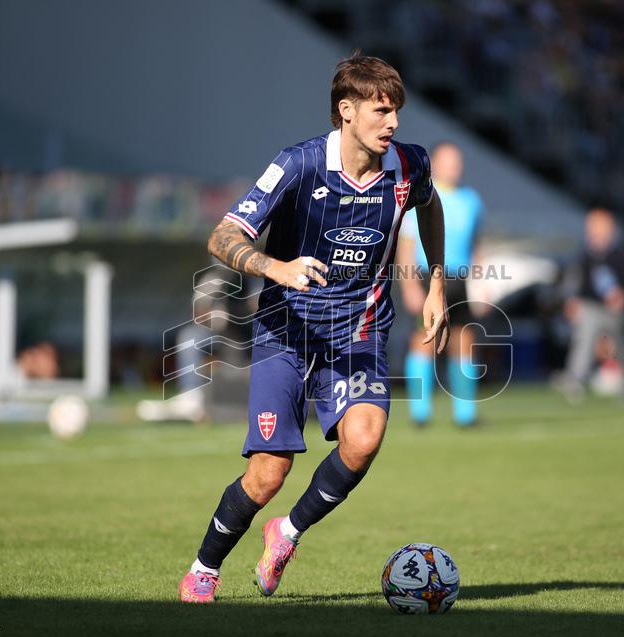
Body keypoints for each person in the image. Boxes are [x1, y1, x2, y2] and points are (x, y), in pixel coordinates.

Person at [178, 54, 449, 603]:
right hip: (287, 332)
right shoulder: (298, 164)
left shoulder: (408, 165)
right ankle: (205, 566)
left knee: (364, 439)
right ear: (346, 112)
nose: (392, 122)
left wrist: (438, 281)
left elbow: (431, 205)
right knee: (268, 476)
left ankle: (289, 532)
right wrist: (275, 267)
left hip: (361, 331)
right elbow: (224, 236)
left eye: (396, 110)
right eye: (380, 110)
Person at [397, 142, 482, 427]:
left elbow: (475, 246)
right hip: (427, 277)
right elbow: (406, 247)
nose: (454, 166)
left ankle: (465, 415)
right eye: (448, 160)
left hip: (459, 280)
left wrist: (481, 284)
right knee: (423, 343)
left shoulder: (471, 200)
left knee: (464, 343)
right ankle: (420, 414)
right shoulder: (421, 197)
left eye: (457, 160)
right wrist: (410, 287)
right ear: (434, 163)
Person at [561, 208, 624, 401]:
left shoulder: (620, 255)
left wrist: (620, 297)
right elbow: (574, 282)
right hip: (590, 306)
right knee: (584, 341)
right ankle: (575, 382)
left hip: (613, 309)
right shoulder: (583, 255)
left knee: (620, 346)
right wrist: (572, 301)